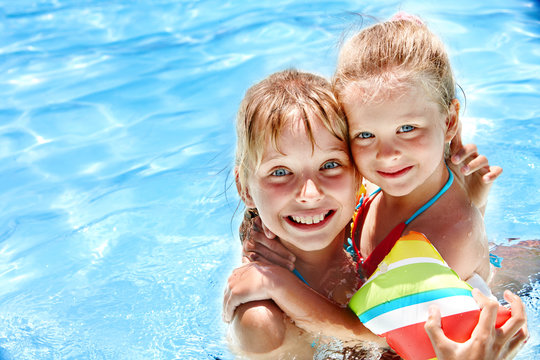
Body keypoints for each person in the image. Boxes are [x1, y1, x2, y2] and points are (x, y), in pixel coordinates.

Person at [224, 13, 528, 360]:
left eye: (329, 165)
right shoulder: (381, 185)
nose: (386, 156)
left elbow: (377, 337)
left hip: (479, 288)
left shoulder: (444, 237)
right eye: (365, 135)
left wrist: (278, 283)